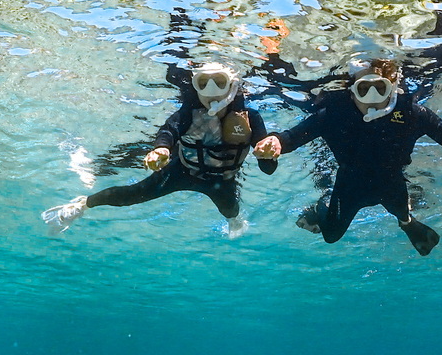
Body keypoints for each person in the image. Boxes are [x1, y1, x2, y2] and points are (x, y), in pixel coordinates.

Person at [252, 58, 442, 256]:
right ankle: (323, 205)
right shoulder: (334, 115)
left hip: (391, 181)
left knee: (403, 214)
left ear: (392, 89)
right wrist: (276, 142)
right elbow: (294, 136)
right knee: (330, 236)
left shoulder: (412, 114)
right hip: (349, 184)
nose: (372, 97)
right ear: (351, 92)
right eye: (363, 89)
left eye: (380, 87)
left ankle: (406, 223)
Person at [42, 62, 274, 238]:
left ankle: (234, 220)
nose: (211, 90)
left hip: (222, 180)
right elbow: (169, 131)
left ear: (233, 87)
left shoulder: (251, 118)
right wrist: (160, 150)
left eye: (219, 82)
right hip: (181, 170)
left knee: (230, 210)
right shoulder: (187, 115)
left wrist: (268, 155)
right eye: (203, 83)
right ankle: (82, 204)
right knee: (133, 194)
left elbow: (268, 169)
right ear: (195, 87)